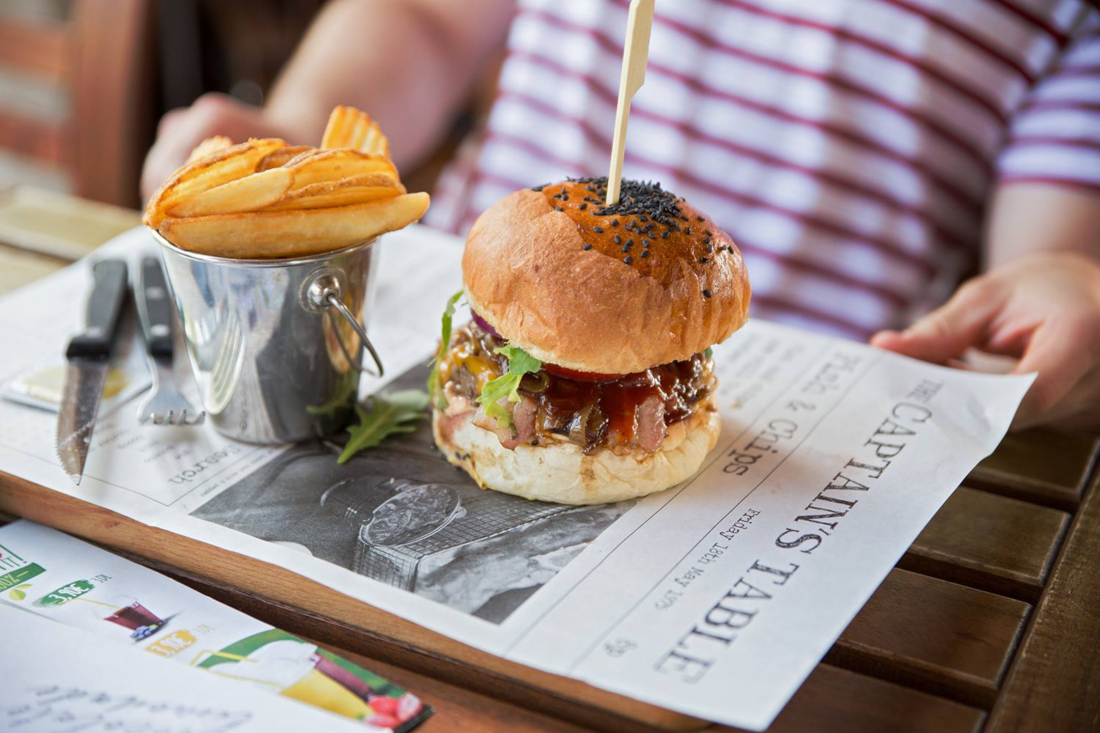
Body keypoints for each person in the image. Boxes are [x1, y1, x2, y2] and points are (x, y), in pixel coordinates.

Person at [142, 0, 1100, 432]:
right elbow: (426, 18)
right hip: (450, 289)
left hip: (833, 409)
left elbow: (1046, 248)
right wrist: (297, 144)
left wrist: (1061, 284)